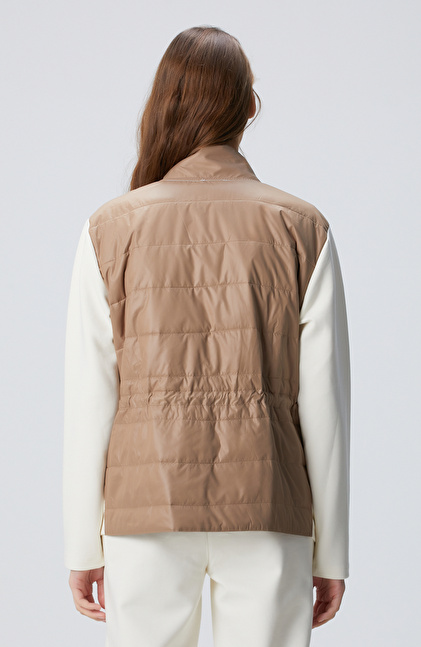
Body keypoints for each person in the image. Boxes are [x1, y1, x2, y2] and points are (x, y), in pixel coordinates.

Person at [63, 25, 351, 647]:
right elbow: (325, 407)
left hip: (144, 507)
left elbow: (90, 397)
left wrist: (83, 542)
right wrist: (331, 551)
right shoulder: (303, 228)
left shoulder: (109, 230)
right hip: (268, 504)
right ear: (248, 107)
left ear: (163, 104)